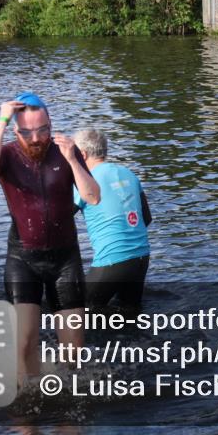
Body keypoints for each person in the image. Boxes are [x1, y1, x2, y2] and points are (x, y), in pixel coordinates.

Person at [0, 92, 100, 381]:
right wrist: (1, 121)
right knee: (24, 344)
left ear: (50, 124)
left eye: (43, 130)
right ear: (15, 130)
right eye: (27, 132)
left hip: (65, 259)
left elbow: (93, 197)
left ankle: (68, 412)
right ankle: (27, 416)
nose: (36, 138)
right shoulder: (6, 155)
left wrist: (72, 159)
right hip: (23, 259)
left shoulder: (65, 152)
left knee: (74, 352)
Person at [72, 128, 152, 312]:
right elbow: (146, 219)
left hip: (111, 260)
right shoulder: (129, 174)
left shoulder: (83, 181)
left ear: (82, 155)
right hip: (141, 258)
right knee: (130, 314)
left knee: (77, 312)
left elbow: (59, 221)